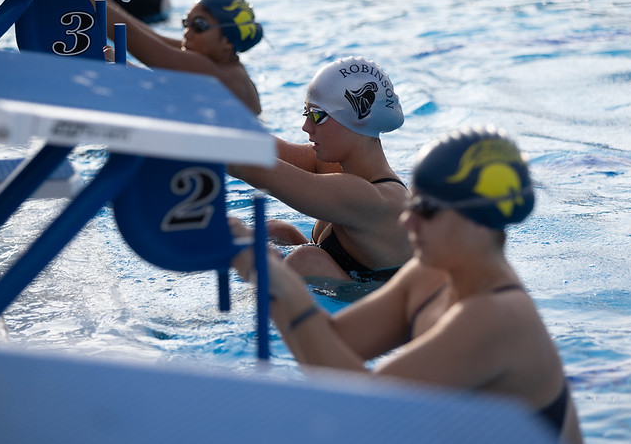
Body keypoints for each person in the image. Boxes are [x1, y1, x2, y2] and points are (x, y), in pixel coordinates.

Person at [231, 126, 584, 443]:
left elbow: (363, 410)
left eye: (427, 209)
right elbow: (332, 347)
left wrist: (281, 285)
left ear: (478, 222)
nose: (407, 219)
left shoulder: (498, 317)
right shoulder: (429, 274)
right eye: (413, 202)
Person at [229, 56, 410, 282]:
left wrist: (191, 143)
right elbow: (261, 147)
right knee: (275, 231)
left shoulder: (375, 199)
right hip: (348, 281)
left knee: (307, 259)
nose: (306, 127)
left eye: (316, 115)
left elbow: (250, 167)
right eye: (306, 114)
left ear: (357, 117)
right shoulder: (336, 168)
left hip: (375, 308)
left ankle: (240, 309)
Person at [105, 0, 264, 115]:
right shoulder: (221, 62)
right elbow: (155, 39)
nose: (187, 33)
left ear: (228, 41)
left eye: (199, 26)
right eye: (186, 23)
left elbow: (137, 40)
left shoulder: (219, 75)